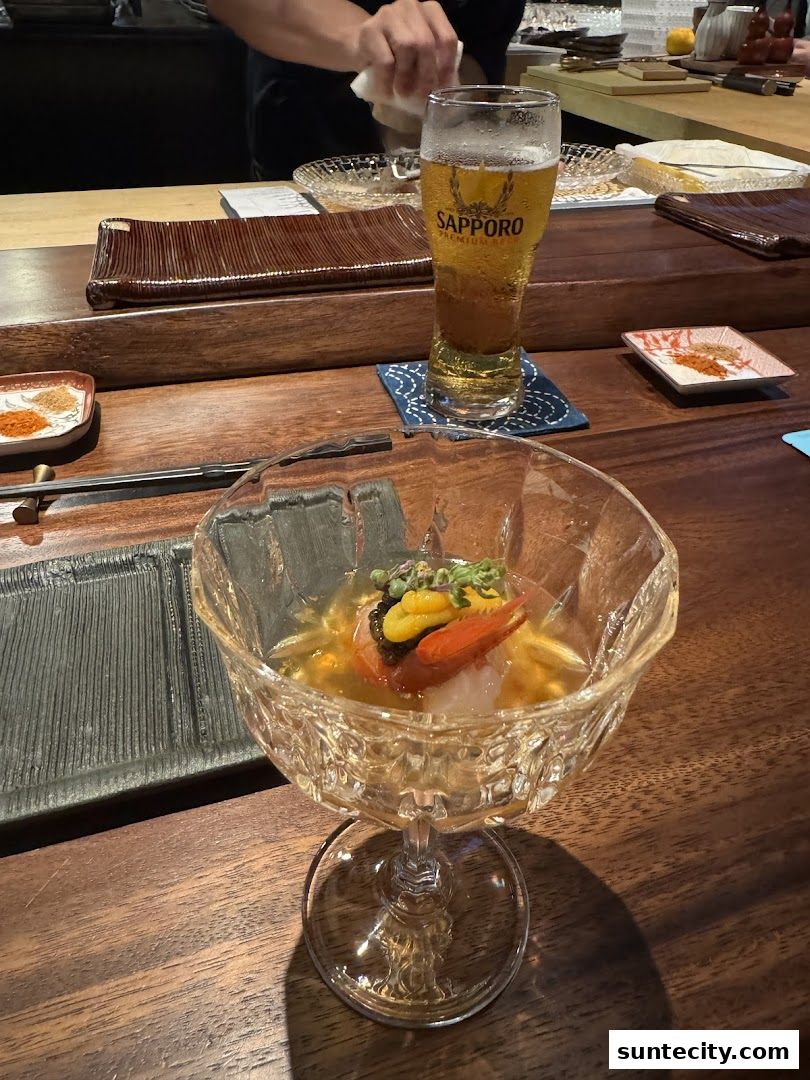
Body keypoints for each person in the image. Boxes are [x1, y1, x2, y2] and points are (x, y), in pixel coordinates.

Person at [208, 0, 525, 179]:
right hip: (309, 134)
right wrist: (360, 40)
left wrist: (478, 129)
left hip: (452, 155)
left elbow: (483, 46)